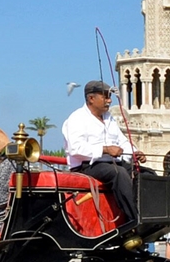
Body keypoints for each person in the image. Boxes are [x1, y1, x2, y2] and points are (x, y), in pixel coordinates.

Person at [61, 80, 144, 226]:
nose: (109, 100)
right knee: (118, 173)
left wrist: (134, 152)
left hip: (110, 164)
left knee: (145, 174)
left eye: (109, 97)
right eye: (105, 97)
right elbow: (75, 148)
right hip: (87, 166)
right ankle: (133, 221)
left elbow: (122, 141)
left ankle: (150, 215)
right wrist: (105, 149)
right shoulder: (77, 118)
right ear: (91, 98)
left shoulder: (109, 118)